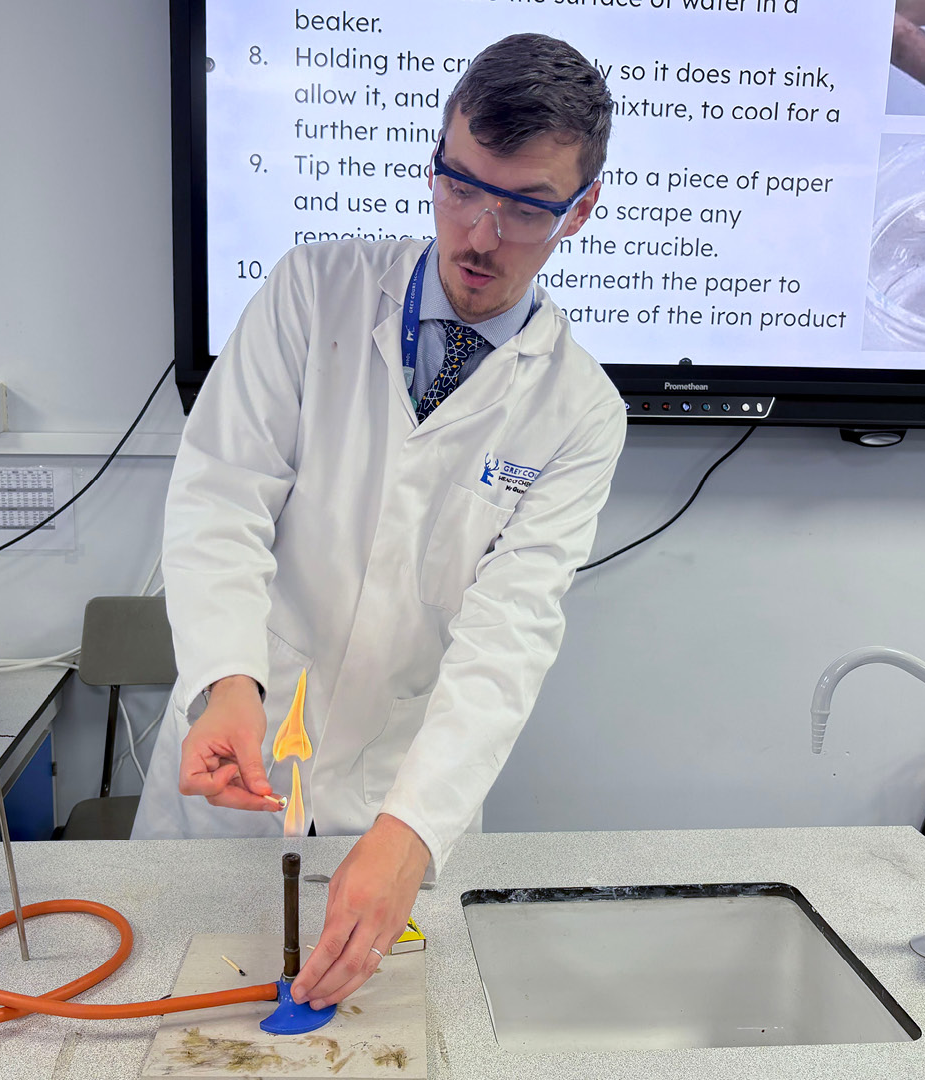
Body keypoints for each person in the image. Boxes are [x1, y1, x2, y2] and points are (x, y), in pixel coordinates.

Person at [130, 32, 625, 1011]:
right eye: (460, 185)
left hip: (401, 798)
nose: (480, 234)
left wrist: (412, 830)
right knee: (166, 1033)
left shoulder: (579, 411)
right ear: (437, 159)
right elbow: (221, 499)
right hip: (240, 764)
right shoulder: (312, 293)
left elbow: (509, 633)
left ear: (580, 210)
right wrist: (225, 680)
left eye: (525, 207)